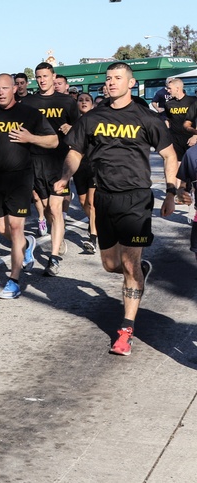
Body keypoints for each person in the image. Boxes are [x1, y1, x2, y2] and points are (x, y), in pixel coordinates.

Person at [56, 62, 177, 356]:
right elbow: (75, 152)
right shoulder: (93, 118)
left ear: (131, 83)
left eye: (117, 78)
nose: (111, 83)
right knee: (111, 264)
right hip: (104, 197)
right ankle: (138, 271)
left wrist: (171, 192)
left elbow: (170, 155)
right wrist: (63, 179)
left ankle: (125, 331)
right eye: (108, 79)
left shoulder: (147, 118)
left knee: (130, 265)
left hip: (136, 198)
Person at [0, 75, 58, 299]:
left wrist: (31, 137)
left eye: (5, 88)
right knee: (3, 230)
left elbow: (53, 141)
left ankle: (13, 281)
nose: (1, 92)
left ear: (14, 89)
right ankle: (27, 245)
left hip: (20, 178)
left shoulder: (29, 114)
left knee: (15, 227)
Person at [22, 62, 79, 276]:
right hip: (35, 160)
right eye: (38, 76)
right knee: (45, 209)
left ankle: (53, 258)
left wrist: (71, 128)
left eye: (46, 75)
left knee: (55, 209)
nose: (42, 79)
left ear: (53, 76)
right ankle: (57, 233)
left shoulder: (66, 101)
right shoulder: (28, 102)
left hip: (59, 160)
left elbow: (80, 129)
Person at [162, 78, 197, 203]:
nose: (168, 90)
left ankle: (191, 190)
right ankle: (180, 194)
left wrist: (195, 136)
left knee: (192, 168)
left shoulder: (192, 101)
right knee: (177, 165)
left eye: (169, 88)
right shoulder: (168, 104)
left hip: (191, 139)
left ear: (178, 88)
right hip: (175, 138)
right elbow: (167, 120)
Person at [73, 92, 98, 254]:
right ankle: (96, 223)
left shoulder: (98, 120)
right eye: (80, 100)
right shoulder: (74, 122)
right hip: (79, 166)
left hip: (95, 165)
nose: (83, 102)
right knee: (83, 202)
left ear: (92, 103)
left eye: (87, 100)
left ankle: (93, 237)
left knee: (92, 200)